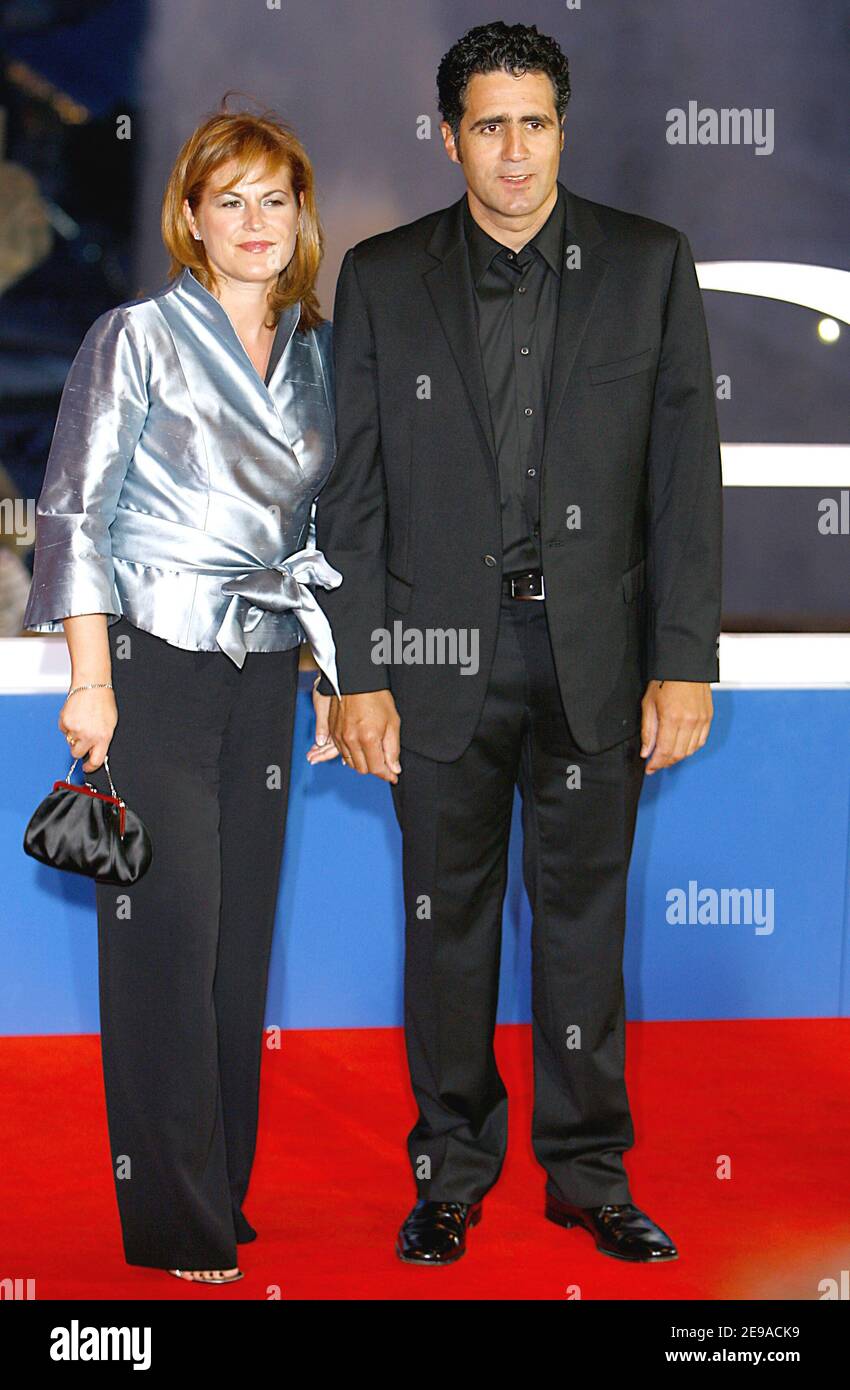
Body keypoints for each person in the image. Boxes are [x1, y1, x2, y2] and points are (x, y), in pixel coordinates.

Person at [314, 21, 722, 1265]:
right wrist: (360, 672)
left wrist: (684, 658)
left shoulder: (648, 264)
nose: (512, 151)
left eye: (533, 123)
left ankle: (589, 1173)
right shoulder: (382, 277)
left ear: (563, 129)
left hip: (596, 657)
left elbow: (680, 484)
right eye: (486, 125)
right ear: (449, 137)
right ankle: (448, 1173)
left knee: (583, 921)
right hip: (434, 661)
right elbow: (352, 494)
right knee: (444, 926)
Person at [22, 106, 341, 1284]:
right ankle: (171, 1221)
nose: (256, 222)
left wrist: (322, 677)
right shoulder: (136, 336)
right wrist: (90, 682)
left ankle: (220, 1187)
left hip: (263, 672)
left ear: (300, 215)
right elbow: (75, 511)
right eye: (231, 201)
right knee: (166, 943)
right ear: (192, 220)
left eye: (276, 199)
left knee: (233, 954)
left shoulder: (318, 348)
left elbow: (317, 531)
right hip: (150, 666)